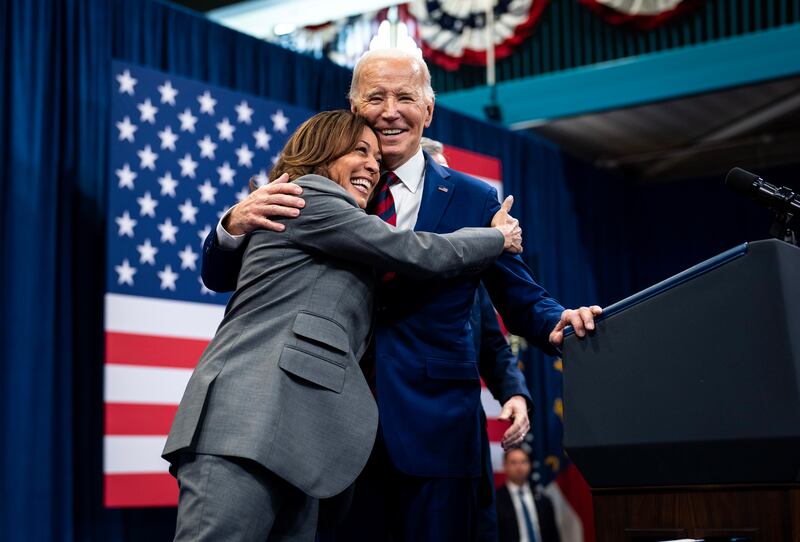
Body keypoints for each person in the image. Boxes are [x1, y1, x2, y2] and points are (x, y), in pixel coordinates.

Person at [202, 48, 601, 541]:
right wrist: (231, 224)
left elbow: (518, 297)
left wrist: (556, 320)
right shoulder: (317, 190)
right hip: (331, 427)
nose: (390, 110)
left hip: (437, 430)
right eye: (376, 97)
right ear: (354, 109)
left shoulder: (474, 198)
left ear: (428, 111)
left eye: (405, 97)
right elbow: (225, 274)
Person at [162, 110, 523, 542]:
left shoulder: (346, 234)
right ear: (323, 153)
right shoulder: (308, 197)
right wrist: (496, 237)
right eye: (360, 151)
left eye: (376, 156)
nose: (373, 165)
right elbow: (412, 249)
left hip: (301, 446)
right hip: (246, 426)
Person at [496, 448, 560, 542]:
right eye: (513, 462)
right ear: (505, 466)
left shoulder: (543, 500)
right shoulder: (496, 501)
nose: (519, 467)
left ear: (530, 465)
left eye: (523, 462)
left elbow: (554, 535)